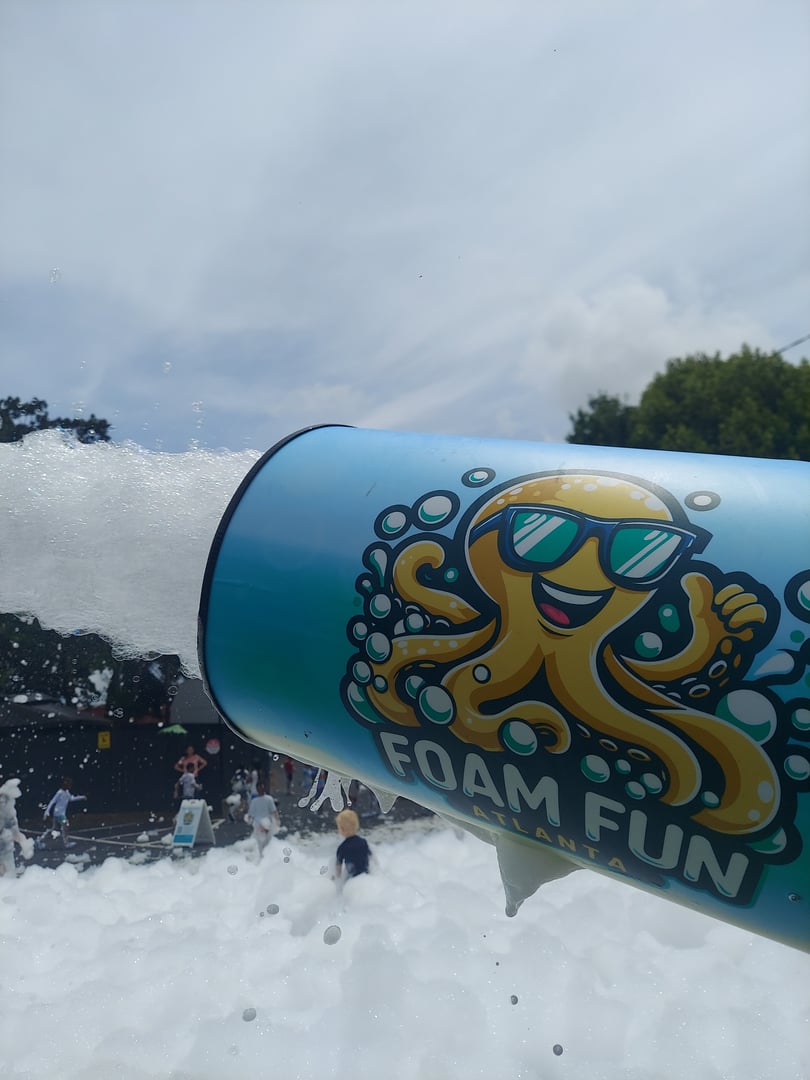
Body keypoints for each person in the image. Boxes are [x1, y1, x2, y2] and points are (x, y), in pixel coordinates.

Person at [0, 778, 34, 877]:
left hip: (6, 853)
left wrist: (25, 844)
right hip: (5, 851)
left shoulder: (10, 816)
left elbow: (16, 833)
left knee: (7, 878)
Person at [43, 777, 87, 847]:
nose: (70, 786)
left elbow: (71, 799)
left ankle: (41, 839)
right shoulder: (60, 792)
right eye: (69, 784)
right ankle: (66, 843)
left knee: (54, 829)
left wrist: (81, 797)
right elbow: (52, 801)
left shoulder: (66, 792)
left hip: (58, 814)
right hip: (59, 814)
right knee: (65, 826)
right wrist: (46, 812)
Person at [334, 808, 370, 882]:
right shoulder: (363, 842)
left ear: (341, 829)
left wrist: (336, 880)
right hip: (366, 878)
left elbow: (338, 869)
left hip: (351, 881)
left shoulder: (342, 847)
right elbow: (372, 859)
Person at [245, 781, 280, 857]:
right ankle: (266, 857)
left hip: (258, 823)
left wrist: (249, 821)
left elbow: (250, 815)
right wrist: (277, 821)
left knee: (260, 842)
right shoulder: (268, 799)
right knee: (267, 841)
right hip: (266, 823)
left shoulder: (254, 801)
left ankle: (262, 857)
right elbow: (274, 811)